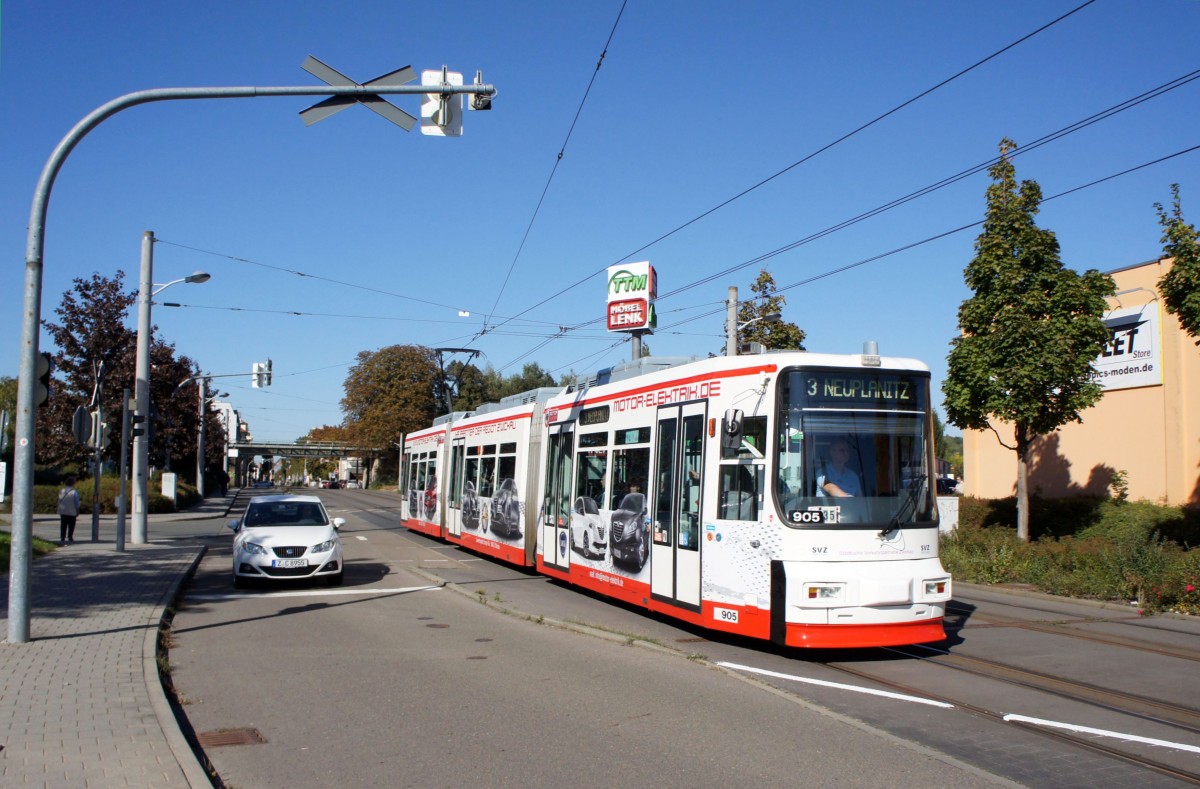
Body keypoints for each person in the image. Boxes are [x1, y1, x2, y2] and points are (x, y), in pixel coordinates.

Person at [57, 476, 82, 545]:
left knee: (63, 524)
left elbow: (59, 500)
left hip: (63, 510)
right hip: (71, 511)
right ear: (73, 484)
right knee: (71, 525)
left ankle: (62, 537)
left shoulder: (62, 491)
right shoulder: (74, 492)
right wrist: (77, 511)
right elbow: (76, 503)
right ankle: (70, 536)